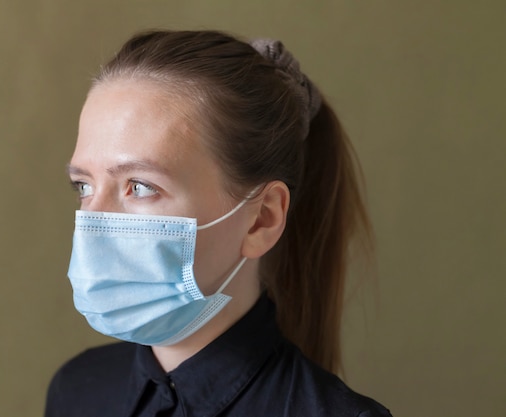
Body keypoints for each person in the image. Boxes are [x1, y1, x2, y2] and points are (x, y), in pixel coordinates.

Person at [45, 29, 392, 416]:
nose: (93, 221)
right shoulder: (77, 390)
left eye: (140, 186)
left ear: (261, 218)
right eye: (83, 184)